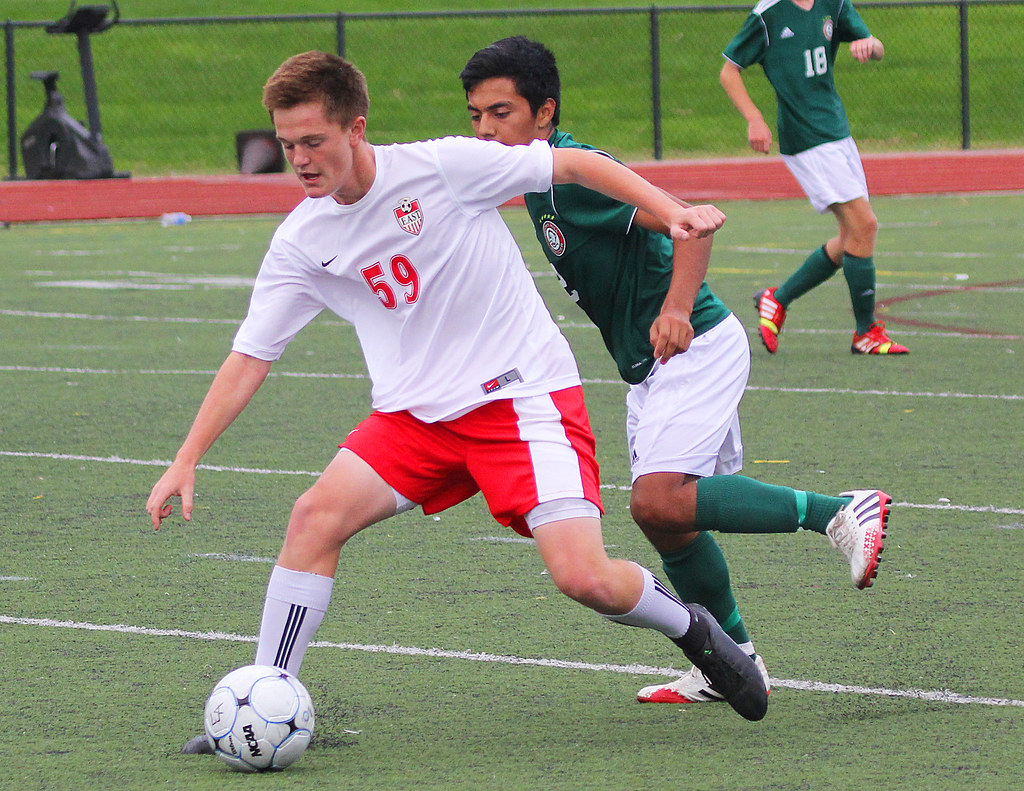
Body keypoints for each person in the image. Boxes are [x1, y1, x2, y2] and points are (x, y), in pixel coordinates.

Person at [146, 50, 770, 753]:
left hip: (521, 399)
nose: (300, 159)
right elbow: (249, 357)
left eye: (313, 141)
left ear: (355, 128)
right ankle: (268, 692)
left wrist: (671, 211)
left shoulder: (441, 166)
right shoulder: (301, 240)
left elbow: (573, 165)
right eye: (287, 145)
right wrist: (187, 457)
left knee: (584, 576)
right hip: (416, 419)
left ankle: (693, 630)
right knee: (313, 517)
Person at [459, 35, 891, 705]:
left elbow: (691, 224)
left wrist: (678, 308)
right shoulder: (534, 182)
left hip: (695, 348)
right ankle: (731, 661)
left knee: (657, 500)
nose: (485, 130)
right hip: (650, 367)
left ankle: (840, 511)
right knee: (670, 521)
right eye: (476, 116)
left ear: (544, 114)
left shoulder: (570, 174)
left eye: (501, 113)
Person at [720, 0, 908, 355]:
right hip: (806, 138)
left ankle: (777, 299)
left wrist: (869, 44)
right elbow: (729, 71)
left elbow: (877, 47)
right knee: (864, 225)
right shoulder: (768, 14)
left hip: (837, 132)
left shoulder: (833, 4)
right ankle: (865, 332)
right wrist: (754, 118)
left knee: (852, 234)